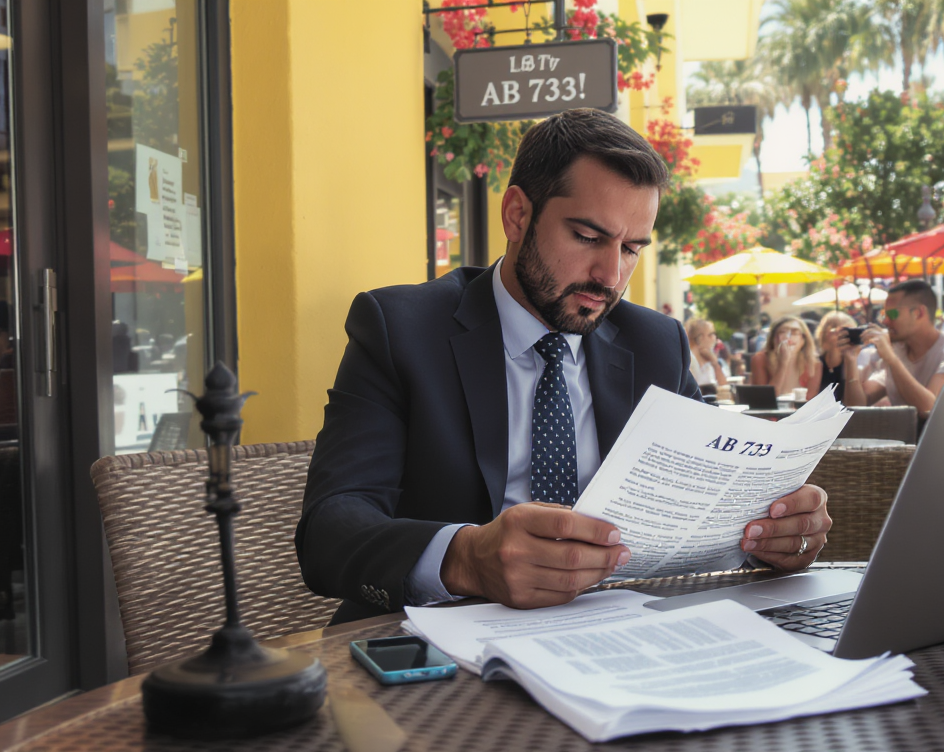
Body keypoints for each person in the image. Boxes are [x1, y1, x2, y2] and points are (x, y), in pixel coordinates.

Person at [297, 109, 831, 624]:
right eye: (587, 237)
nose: (610, 275)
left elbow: (715, 487)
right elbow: (330, 529)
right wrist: (466, 558)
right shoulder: (401, 329)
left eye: (631, 249)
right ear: (516, 215)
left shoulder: (654, 343)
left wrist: (779, 531)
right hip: (440, 653)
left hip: (621, 634)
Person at [841, 278, 944, 416]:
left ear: (918, 313)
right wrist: (851, 361)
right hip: (903, 437)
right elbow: (856, 406)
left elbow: (929, 408)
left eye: (892, 314)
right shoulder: (895, 350)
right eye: (883, 314)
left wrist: (892, 360)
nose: (885, 321)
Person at [749, 315, 822, 400]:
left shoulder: (814, 364)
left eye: (795, 333)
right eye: (783, 332)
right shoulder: (760, 359)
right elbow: (764, 399)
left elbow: (810, 400)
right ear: (774, 339)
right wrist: (783, 363)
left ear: (803, 340)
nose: (788, 337)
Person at [814, 311, 857, 396]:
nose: (839, 334)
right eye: (834, 328)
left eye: (845, 330)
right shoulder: (816, 363)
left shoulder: (854, 361)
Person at [685, 318, 727, 394]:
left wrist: (715, 364)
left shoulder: (709, 357)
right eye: (711, 334)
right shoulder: (688, 359)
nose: (715, 338)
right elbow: (691, 390)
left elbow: (723, 384)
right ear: (700, 338)